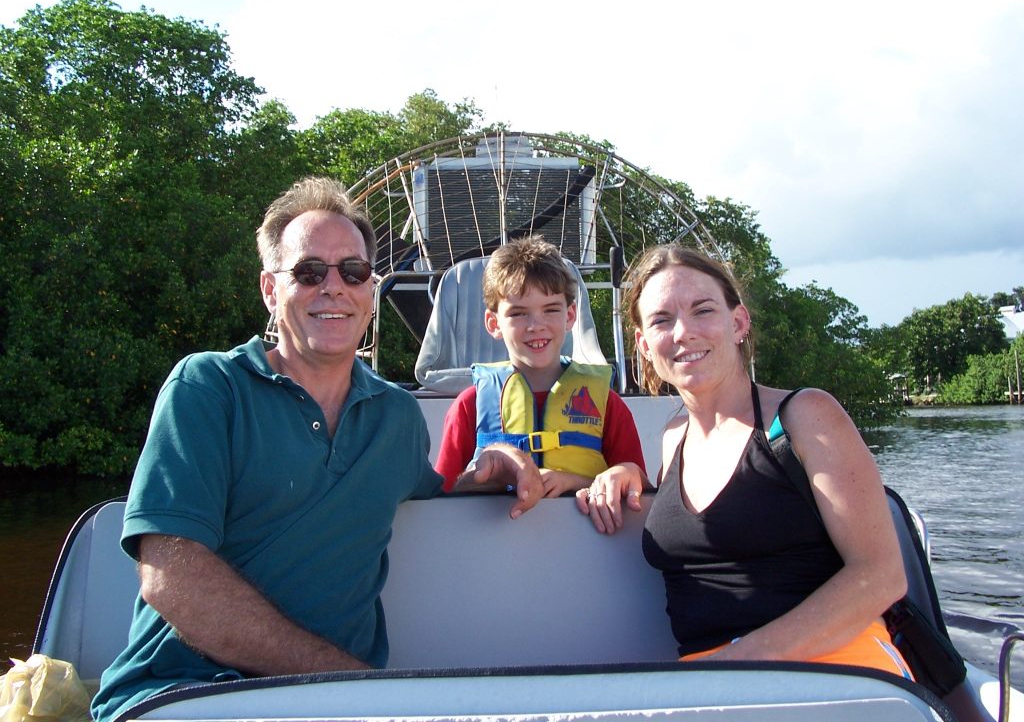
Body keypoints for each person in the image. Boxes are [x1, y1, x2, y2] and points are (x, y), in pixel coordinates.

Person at [91, 177, 539, 722]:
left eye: (353, 271)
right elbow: (170, 575)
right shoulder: (208, 387)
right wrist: (346, 682)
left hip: (336, 702)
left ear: (370, 290)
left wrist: (496, 466)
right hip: (183, 694)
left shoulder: (397, 417)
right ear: (269, 289)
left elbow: (430, 490)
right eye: (308, 272)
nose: (334, 287)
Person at [576, 244, 912, 678]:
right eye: (662, 320)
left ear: (738, 322)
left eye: (703, 310)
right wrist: (625, 472)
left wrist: (735, 663)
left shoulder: (803, 417)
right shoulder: (671, 438)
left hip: (839, 669)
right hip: (711, 685)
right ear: (643, 344)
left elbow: (882, 574)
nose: (683, 332)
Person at [434, 236, 647, 505]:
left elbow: (639, 492)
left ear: (570, 316)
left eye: (550, 310)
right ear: (493, 323)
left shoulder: (608, 405)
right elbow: (439, 502)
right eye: (518, 313)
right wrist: (485, 478)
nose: (536, 325)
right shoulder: (468, 406)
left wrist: (577, 483)